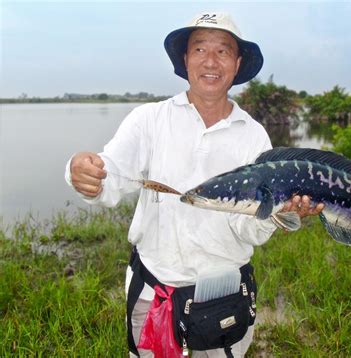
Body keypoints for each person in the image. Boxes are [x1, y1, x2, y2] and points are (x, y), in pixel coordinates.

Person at [65, 12, 323, 357]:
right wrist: (81, 172)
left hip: (223, 298)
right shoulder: (150, 119)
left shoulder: (253, 136)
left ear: (237, 62)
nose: (211, 61)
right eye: (199, 49)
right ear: (185, 59)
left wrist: (278, 213)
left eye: (223, 51)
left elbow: (248, 230)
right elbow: (110, 173)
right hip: (152, 292)